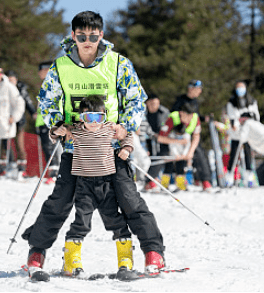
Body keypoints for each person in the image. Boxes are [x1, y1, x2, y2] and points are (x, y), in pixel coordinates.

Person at [22, 11, 165, 278]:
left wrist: (126, 127)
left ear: (101, 34)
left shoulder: (119, 63)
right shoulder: (61, 66)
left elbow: (136, 99)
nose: (87, 41)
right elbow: (46, 101)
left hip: (110, 150)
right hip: (75, 149)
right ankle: (37, 251)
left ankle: (153, 251)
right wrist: (56, 124)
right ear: (73, 35)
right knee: (61, 202)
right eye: (81, 36)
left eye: (93, 35)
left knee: (129, 200)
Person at [49, 95, 133, 276]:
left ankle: (125, 259)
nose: (94, 123)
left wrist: (126, 148)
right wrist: (59, 130)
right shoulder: (76, 131)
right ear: (81, 117)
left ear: (104, 116)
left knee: (115, 219)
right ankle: (72, 259)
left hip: (106, 183)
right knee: (82, 221)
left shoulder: (110, 129)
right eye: (89, 118)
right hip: (84, 184)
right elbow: (55, 132)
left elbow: (127, 135)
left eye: (98, 118)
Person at [171, 79, 212, 191]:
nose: (200, 92)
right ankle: (180, 182)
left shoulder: (195, 102)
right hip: (180, 133)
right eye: (198, 89)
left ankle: (205, 181)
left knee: (199, 154)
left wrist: (205, 118)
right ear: (191, 88)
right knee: (181, 156)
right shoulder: (181, 100)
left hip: (193, 133)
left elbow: (196, 116)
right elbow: (173, 114)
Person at [157, 104, 202, 192]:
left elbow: (195, 137)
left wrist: (188, 153)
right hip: (169, 144)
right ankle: (164, 184)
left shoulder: (195, 119)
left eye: (190, 116)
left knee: (181, 165)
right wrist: (177, 144)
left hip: (183, 148)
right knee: (168, 165)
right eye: (186, 116)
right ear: (181, 113)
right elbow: (161, 138)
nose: (189, 119)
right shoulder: (172, 118)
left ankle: (180, 184)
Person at [226, 80, 260, 187]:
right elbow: (232, 118)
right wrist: (236, 125)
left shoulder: (252, 101)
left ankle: (249, 176)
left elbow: (256, 116)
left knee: (248, 152)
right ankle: (230, 177)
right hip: (237, 133)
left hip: (248, 132)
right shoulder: (232, 102)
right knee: (234, 153)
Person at [4, 70, 37, 174]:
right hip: (6, 121)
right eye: (8, 80)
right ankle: (8, 165)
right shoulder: (3, 89)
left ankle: (21, 167)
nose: (10, 82)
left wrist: (33, 112)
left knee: (19, 143)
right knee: (6, 144)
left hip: (19, 121)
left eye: (12, 80)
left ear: (16, 80)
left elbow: (28, 101)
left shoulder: (21, 89)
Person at [33, 61, 61, 183]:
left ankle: (55, 173)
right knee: (46, 146)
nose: (39, 73)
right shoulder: (45, 83)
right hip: (42, 120)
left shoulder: (53, 82)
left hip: (50, 120)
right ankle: (52, 173)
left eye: (41, 70)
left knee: (51, 146)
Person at [142, 94, 170, 192]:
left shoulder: (164, 112)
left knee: (164, 156)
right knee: (151, 159)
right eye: (152, 104)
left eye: (157, 103)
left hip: (162, 138)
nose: (155, 106)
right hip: (146, 139)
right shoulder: (142, 113)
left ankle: (162, 182)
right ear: (147, 104)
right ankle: (150, 181)